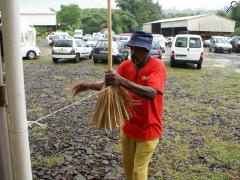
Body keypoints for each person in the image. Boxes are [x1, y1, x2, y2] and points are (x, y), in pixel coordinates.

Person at [72, 30, 166, 180]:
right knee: (129, 170)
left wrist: (122, 81)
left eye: (138, 49)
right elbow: (109, 84)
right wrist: (88, 85)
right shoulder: (125, 66)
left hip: (148, 129)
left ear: (147, 50)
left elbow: (151, 93)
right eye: (132, 49)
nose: (133, 53)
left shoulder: (157, 66)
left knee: (138, 171)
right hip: (128, 127)